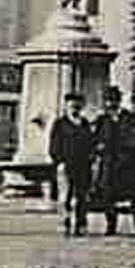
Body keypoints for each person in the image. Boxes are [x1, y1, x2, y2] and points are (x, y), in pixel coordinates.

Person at [92, 85, 135, 235]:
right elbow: (93, 139)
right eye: (107, 101)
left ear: (118, 101)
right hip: (109, 162)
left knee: (134, 197)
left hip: (128, 161)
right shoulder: (101, 119)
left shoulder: (129, 117)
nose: (110, 104)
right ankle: (111, 225)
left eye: (113, 100)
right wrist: (98, 148)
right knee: (107, 197)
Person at [48, 91, 95, 236]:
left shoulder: (85, 123)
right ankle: (65, 222)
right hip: (66, 165)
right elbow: (54, 146)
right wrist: (59, 162)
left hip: (83, 166)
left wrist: (91, 159)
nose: (75, 108)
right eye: (72, 105)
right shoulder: (60, 124)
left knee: (82, 196)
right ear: (66, 106)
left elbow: (90, 143)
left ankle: (81, 224)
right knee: (65, 196)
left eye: (78, 106)